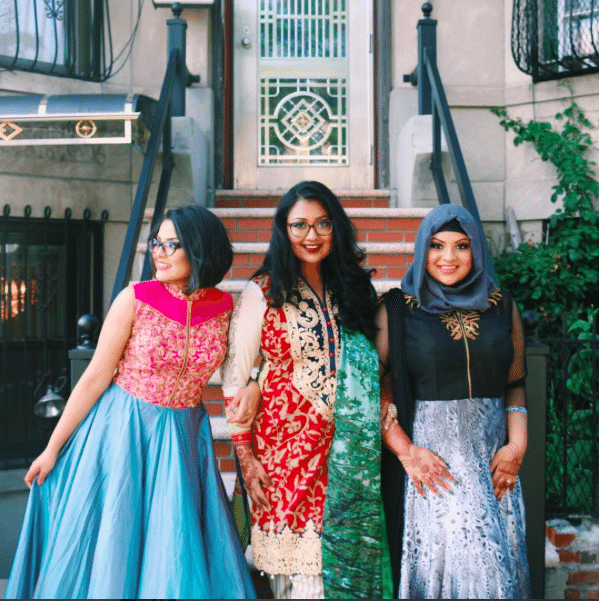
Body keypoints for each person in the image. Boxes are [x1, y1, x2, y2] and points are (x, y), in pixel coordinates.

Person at [5, 205, 256, 599]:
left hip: (185, 438)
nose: (159, 252)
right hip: (123, 434)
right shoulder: (135, 298)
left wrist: (254, 385)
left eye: (172, 245)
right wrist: (52, 449)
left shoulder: (226, 309)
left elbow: (241, 371)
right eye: (157, 243)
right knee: (116, 544)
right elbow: (94, 378)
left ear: (200, 249)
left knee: (173, 547)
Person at [221, 181, 392, 599]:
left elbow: (375, 362)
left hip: (348, 454)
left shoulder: (354, 290)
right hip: (285, 455)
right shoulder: (262, 292)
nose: (311, 235)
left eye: (322, 224)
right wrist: (244, 455)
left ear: (337, 229)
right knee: (300, 582)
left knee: (344, 572)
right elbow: (234, 378)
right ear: (283, 229)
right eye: (299, 225)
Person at [376, 203, 531, 599]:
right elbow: (372, 388)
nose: (448, 257)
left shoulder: (501, 306)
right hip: (435, 466)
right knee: (477, 571)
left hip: (494, 461)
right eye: (436, 245)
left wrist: (517, 447)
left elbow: (514, 383)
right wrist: (407, 452)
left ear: (476, 250)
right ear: (421, 250)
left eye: (461, 246)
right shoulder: (397, 309)